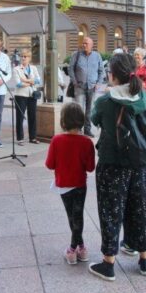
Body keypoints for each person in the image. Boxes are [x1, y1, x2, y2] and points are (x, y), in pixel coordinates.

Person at [89, 53, 146, 281]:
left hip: (112, 163)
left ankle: (108, 263)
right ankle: (145, 259)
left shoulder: (105, 101)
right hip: (141, 164)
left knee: (110, 210)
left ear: (114, 75)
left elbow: (95, 120)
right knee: (141, 208)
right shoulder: (144, 96)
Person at [45, 102, 95, 265]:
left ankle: (73, 249)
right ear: (81, 120)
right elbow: (90, 167)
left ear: (63, 121)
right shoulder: (87, 142)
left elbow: (50, 164)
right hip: (80, 184)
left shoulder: (57, 140)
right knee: (78, 216)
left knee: (72, 216)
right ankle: (81, 247)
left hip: (64, 185)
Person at [68, 37, 104, 137]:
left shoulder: (97, 56)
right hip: (79, 86)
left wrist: (99, 83)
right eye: (83, 43)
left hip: (92, 87)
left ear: (91, 45)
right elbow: (70, 69)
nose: (84, 45)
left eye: (86, 43)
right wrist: (74, 81)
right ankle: (78, 129)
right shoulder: (77, 55)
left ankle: (87, 129)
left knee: (90, 110)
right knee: (79, 109)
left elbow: (101, 71)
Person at [13, 49, 41, 145]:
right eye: (22, 56)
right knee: (20, 117)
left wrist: (26, 80)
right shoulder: (16, 69)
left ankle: (32, 137)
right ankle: (20, 138)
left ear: (29, 58)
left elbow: (38, 80)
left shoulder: (33, 68)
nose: (23, 58)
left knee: (32, 116)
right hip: (21, 95)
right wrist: (31, 82)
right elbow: (18, 84)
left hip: (32, 95)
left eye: (25, 56)